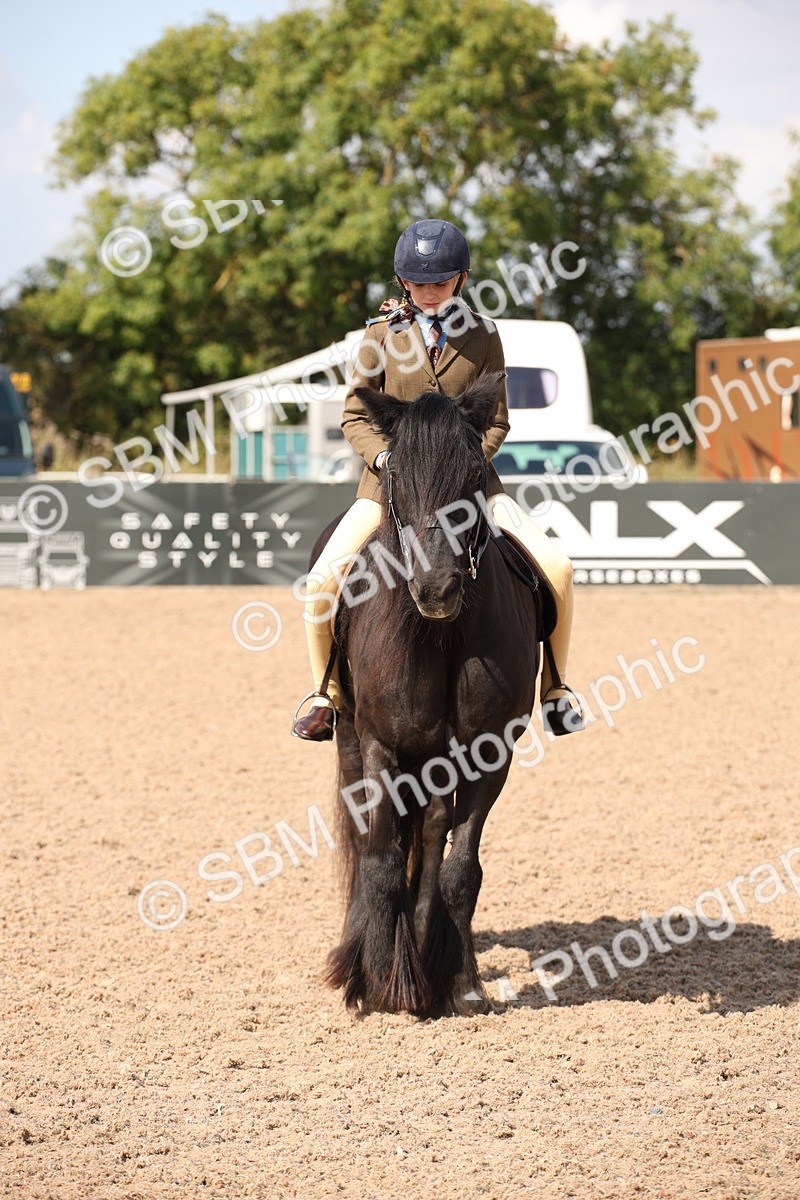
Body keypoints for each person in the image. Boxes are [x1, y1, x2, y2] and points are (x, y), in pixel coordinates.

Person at [291, 218, 583, 742]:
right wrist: (386, 461)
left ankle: (554, 688)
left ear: (462, 279)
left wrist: (464, 465)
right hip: (389, 488)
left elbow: (497, 420)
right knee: (321, 581)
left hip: (472, 488)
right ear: (404, 282)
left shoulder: (485, 335)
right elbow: (356, 416)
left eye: (441, 282)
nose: (430, 293)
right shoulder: (379, 336)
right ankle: (326, 692)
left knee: (558, 568)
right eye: (420, 283)